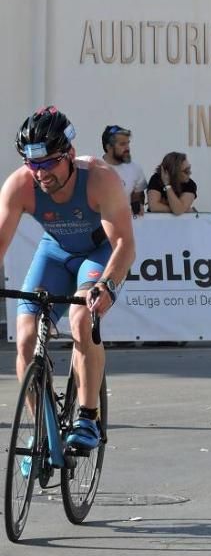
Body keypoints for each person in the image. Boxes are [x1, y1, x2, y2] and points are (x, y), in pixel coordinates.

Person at [0, 107, 135, 450]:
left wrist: (107, 284)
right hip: (55, 253)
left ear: (70, 155)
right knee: (26, 338)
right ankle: (42, 431)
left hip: (97, 254)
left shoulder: (101, 179)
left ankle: (88, 417)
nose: (41, 173)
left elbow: (124, 244)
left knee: (80, 320)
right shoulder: (20, 185)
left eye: (48, 163)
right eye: (33, 164)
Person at [101, 125, 146, 217]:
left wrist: (139, 205)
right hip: (99, 226)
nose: (127, 148)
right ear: (109, 147)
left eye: (128, 143)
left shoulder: (136, 169)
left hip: (125, 225)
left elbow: (137, 196)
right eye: (122, 144)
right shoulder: (93, 168)